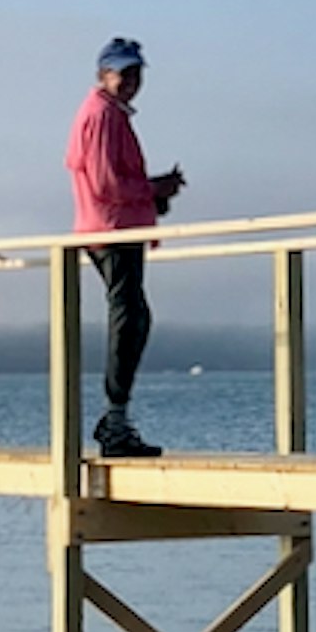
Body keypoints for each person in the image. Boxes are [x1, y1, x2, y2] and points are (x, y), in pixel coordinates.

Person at [65, 36, 185, 458]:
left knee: (134, 316)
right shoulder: (101, 115)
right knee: (129, 316)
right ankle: (114, 419)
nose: (131, 81)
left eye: (135, 73)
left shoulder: (110, 114)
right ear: (103, 74)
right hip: (111, 232)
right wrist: (152, 190)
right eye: (123, 73)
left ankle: (116, 416)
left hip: (117, 229)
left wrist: (153, 194)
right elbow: (105, 184)